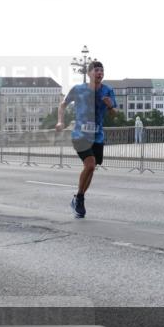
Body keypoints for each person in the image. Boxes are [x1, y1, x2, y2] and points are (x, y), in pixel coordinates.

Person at [55, 61, 117, 219]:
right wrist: (61, 121)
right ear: (89, 73)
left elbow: (114, 114)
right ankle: (80, 199)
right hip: (80, 135)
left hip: (97, 136)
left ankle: (78, 197)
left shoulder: (108, 90)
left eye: (102, 70)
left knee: (91, 168)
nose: (100, 73)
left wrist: (110, 107)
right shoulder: (78, 89)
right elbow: (63, 105)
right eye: (96, 70)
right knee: (89, 164)